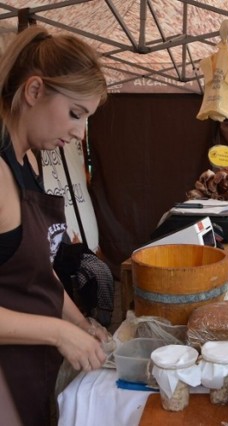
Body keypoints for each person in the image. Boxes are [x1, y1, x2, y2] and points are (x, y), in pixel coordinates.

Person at [0, 26, 110, 425]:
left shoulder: (28, 160)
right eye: (75, 115)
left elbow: (37, 267)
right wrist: (59, 333)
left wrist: (80, 323)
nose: (80, 134)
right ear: (33, 91)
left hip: (32, 375)